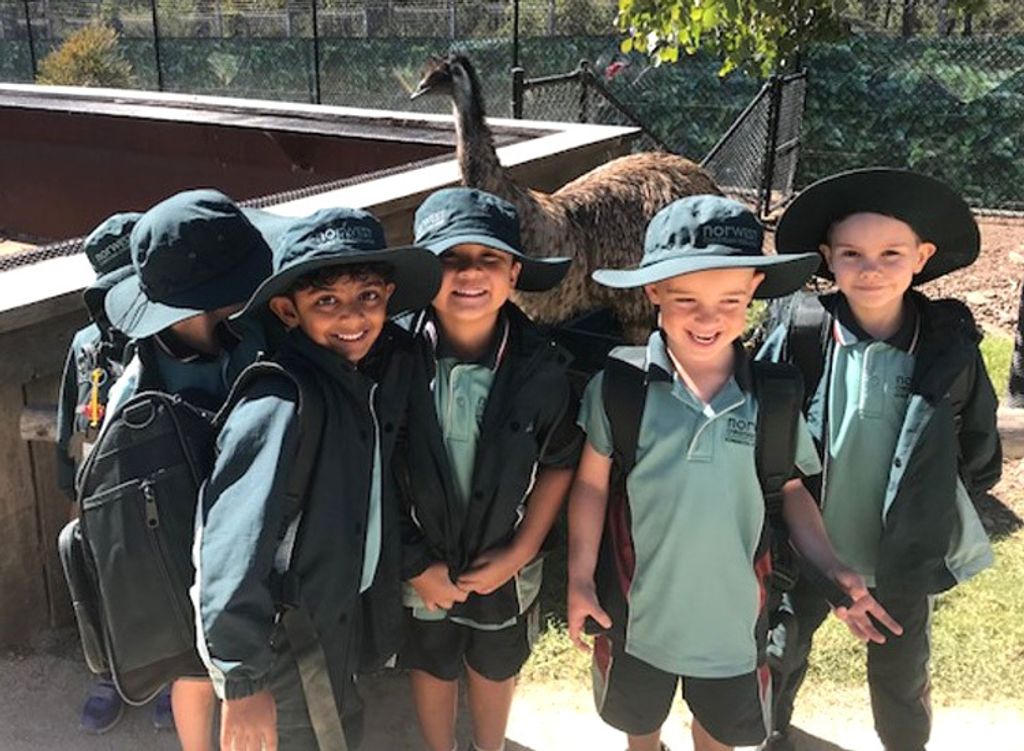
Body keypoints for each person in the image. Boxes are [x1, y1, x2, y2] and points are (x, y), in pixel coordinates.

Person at [567, 195, 899, 751]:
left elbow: (790, 489)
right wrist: (579, 579)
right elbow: (590, 485)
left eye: (729, 300)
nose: (708, 318)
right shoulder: (620, 388)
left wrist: (833, 567)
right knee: (639, 726)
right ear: (654, 291)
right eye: (686, 299)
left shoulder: (773, 397)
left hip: (734, 626)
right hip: (634, 615)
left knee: (719, 732)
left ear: (752, 291)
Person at [760, 168, 1002, 751]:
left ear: (922, 257)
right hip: (810, 545)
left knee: (901, 669)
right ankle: (772, 732)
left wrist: (946, 500)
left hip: (902, 550)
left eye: (891, 253)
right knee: (781, 647)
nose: (871, 269)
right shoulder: (804, 332)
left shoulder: (946, 346)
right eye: (852, 254)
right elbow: (764, 428)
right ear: (827, 258)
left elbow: (977, 439)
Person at [194, 206, 441, 751]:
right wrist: (242, 684)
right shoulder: (280, 402)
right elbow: (231, 549)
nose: (352, 316)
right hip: (285, 644)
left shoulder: (359, 383)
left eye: (368, 296)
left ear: (388, 297)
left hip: (334, 623)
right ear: (288, 311)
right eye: (326, 301)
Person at [398, 187, 582, 751]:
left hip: (502, 559)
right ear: (425, 272)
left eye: (489, 258)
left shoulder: (543, 369)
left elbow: (559, 462)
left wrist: (520, 551)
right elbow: (374, 464)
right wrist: (412, 562)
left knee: (497, 662)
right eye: (450, 258)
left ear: (514, 272)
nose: (470, 273)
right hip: (422, 558)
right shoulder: (392, 360)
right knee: (430, 660)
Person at [102, 188, 274, 751]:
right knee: (194, 670)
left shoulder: (245, 340)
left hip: (244, 542)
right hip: (181, 541)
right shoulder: (140, 378)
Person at [55, 211, 178, 734]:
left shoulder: (173, 332)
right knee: (103, 583)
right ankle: (109, 671)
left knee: (168, 579)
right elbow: (71, 423)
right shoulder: (86, 344)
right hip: (101, 490)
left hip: (162, 488)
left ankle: (173, 674)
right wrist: (73, 494)